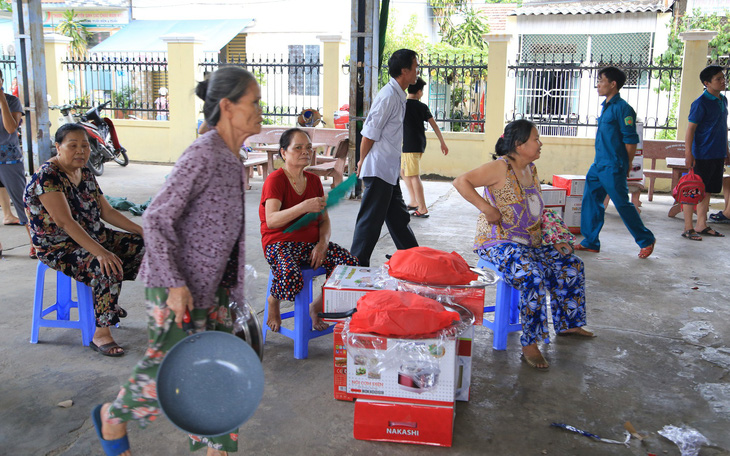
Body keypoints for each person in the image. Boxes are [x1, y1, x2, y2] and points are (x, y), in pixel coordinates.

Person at [91, 66, 260, 456]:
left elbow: (227, 236)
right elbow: (156, 217)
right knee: (168, 372)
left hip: (214, 289)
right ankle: (113, 418)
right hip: (176, 287)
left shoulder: (233, 160)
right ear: (227, 107)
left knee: (217, 376)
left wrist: (233, 293)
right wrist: (175, 284)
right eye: (253, 102)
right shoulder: (203, 154)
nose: (259, 110)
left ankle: (217, 450)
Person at [453, 119, 593, 370]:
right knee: (532, 276)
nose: (540, 144)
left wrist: (556, 238)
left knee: (571, 264)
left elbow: (538, 210)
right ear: (519, 145)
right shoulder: (499, 167)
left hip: (531, 242)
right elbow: (460, 181)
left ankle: (568, 323)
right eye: (535, 139)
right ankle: (530, 343)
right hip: (498, 242)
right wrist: (487, 208)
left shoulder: (532, 169)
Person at [24, 124, 145, 356]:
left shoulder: (85, 171)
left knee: (146, 247)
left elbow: (107, 212)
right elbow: (65, 222)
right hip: (59, 247)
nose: (80, 151)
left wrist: (140, 230)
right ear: (58, 147)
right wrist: (100, 252)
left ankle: (105, 300)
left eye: (85, 146)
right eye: (73, 146)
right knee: (105, 267)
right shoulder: (48, 176)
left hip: (93, 235)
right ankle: (101, 334)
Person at [260, 128, 359, 332]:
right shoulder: (275, 180)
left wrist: (322, 244)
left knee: (350, 265)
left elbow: (324, 221)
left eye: (308, 148)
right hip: (279, 244)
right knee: (291, 275)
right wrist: (304, 207)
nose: (305, 151)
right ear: (283, 153)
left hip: (310, 243)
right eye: (298, 148)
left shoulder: (314, 181)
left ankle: (316, 306)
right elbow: (271, 221)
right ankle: (273, 300)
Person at [575, 66, 656, 258]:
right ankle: (590, 241)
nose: (598, 84)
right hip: (598, 165)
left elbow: (631, 140)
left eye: (601, 80)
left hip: (613, 166)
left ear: (613, 84)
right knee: (590, 200)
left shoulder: (623, 109)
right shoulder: (606, 106)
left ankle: (646, 239)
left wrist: (627, 164)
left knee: (621, 204)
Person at [351, 49, 420, 266]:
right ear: (404, 71)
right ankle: (355, 267)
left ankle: (415, 260)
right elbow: (369, 134)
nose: (417, 71)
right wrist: (361, 161)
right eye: (415, 67)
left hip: (388, 171)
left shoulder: (398, 94)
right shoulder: (388, 96)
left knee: (399, 220)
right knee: (369, 224)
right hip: (378, 170)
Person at [681, 65, 729, 240]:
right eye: (718, 78)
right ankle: (688, 227)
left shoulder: (723, 100)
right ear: (706, 83)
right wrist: (688, 153)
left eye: (723, 77)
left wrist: (726, 150)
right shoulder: (700, 103)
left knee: (707, 190)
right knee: (692, 190)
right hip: (701, 154)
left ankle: (701, 225)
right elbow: (690, 130)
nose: (723, 81)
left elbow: (723, 128)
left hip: (717, 154)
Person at [401, 77, 448, 218]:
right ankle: (414, 201)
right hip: (417, 144)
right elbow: (434, 125)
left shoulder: (402, 105)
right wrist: (442, 142)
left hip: (409, 145)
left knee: (413, 176)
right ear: (420, 92)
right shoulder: (422, 107)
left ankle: (422, 208)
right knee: (404, 172)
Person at [0, 69, 34, 257]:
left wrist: (1, 99)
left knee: (22, 203)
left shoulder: (12, 101)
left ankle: (34, 243)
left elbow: (11, 127)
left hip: (9, 159)